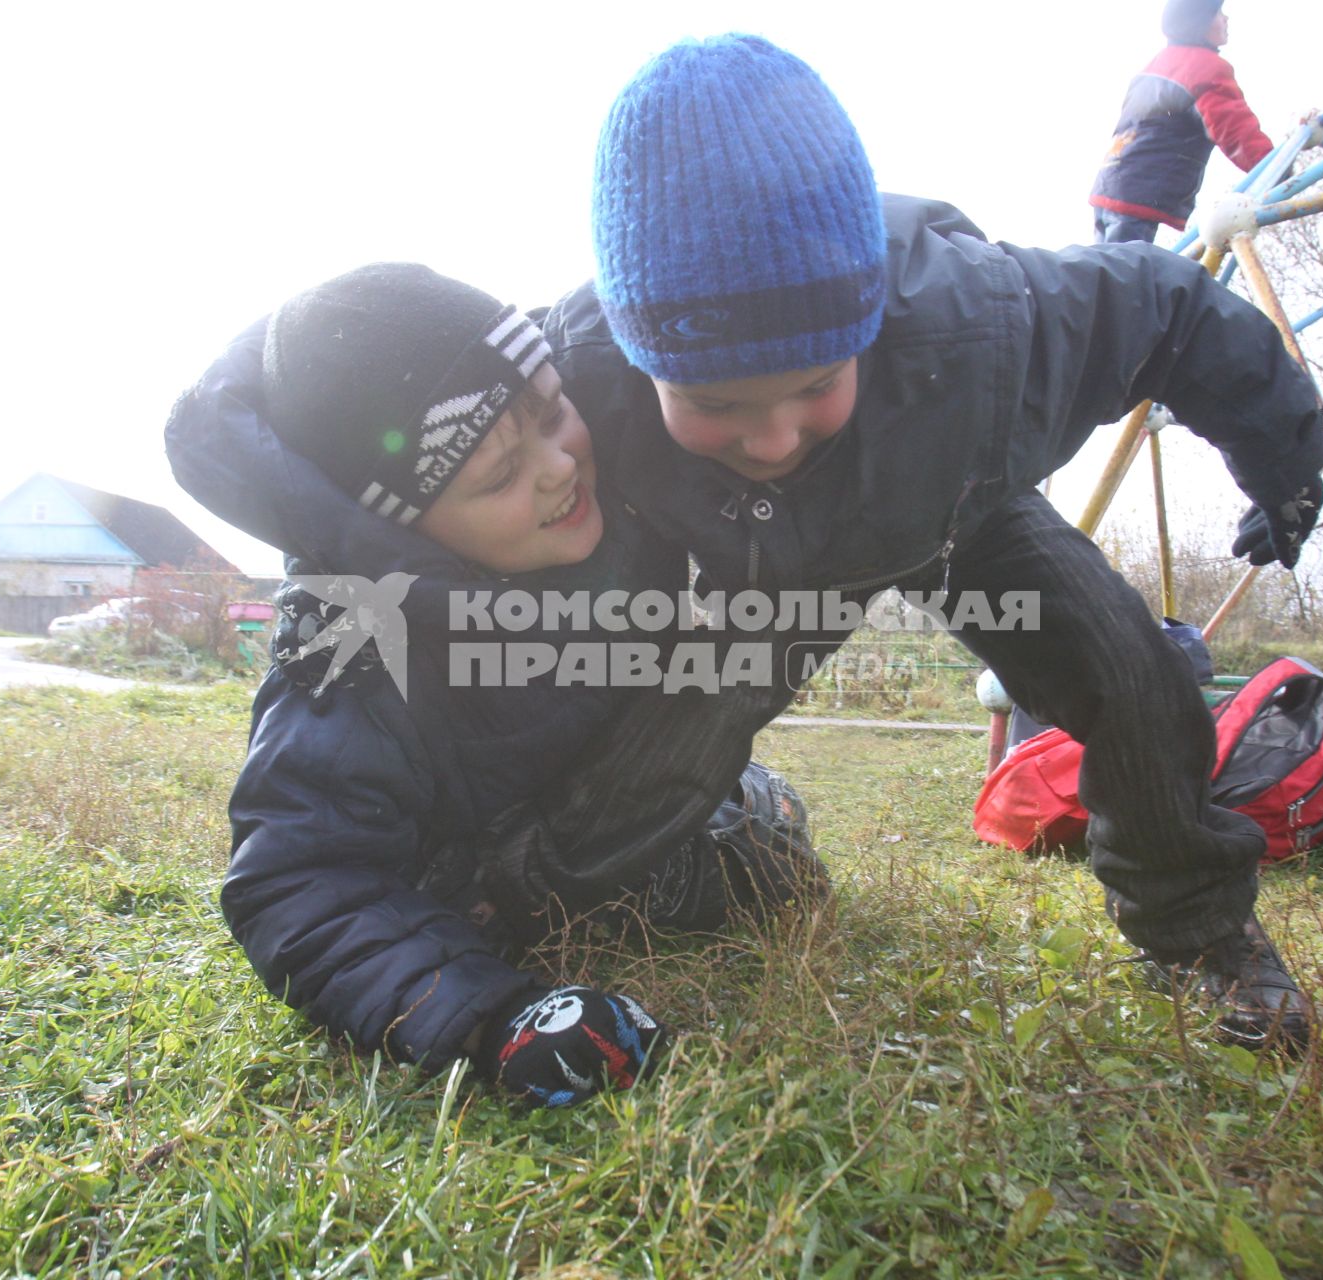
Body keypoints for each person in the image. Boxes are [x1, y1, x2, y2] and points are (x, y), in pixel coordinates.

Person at [554, 34, 1323, 1050]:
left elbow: (1177, 311)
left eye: (812, 385)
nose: (773, 437)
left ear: (870, 325)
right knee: (671, 735)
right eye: (713, 402)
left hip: (960, 505)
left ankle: (1197, 934)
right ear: (634, 357)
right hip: (775, 572)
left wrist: (1286, 467)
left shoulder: (995, 331)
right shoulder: (577, 377)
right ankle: (554, 902)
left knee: (1136, 675)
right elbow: (432, 457)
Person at [165, 264, 827, 1108]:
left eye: (552, 412)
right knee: (738, 865)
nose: (557, 467)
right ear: (397, 532)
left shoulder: (607, 480)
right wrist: (490, 1016)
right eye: (496, 476)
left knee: (766, 850)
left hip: (616, 797)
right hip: (478, 887)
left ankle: (744, 810)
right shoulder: (353, 641)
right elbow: (298, 883)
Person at [1088, 0, 1273, 244]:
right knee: (1126, 274)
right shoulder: (1204, 68)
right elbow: (1236, 131)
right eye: (1218, 13)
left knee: (1108, 268)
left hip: (1110, 186)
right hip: (1141, 193)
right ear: (1198, 22)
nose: (1226, 19)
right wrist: (1276, 168)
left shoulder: (1156, 64)